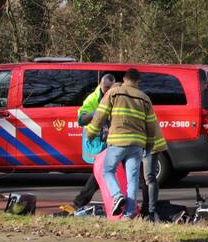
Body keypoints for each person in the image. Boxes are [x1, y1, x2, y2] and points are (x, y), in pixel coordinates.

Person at [84, 68, 167, 218]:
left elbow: (100, 114)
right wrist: (148, 146)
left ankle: (117, 196)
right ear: (138, 82)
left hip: (118, 141)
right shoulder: (144, 98)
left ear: (124, 79)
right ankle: (128, 214)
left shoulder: (114, 93)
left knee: (108, 171)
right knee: (133, 179)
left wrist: (91, 134)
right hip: (137, 144)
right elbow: (151, 125)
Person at [59, 74, 115, 215]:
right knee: (102, 172)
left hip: (112, 141)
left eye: (110, 88)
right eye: (106, 88)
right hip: (99, 141)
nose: (107, 91)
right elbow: (81, 119)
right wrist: (94, 114)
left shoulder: (115, 96)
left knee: (105, 172)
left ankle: (82, 202)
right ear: (100, 84)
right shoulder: (92, 99)